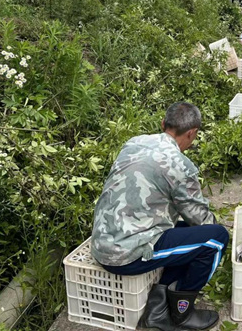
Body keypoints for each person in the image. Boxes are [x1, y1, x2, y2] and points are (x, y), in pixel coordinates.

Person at [91, 102, 229, 331]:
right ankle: (183, 312)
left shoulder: (134, 142)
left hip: (104, 240)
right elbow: (200, 218)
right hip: (126, 254)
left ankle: (157, 309)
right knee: (215, 239)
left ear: (163, 124)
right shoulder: (180, 165)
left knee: (185, 233)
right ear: (192, 133)